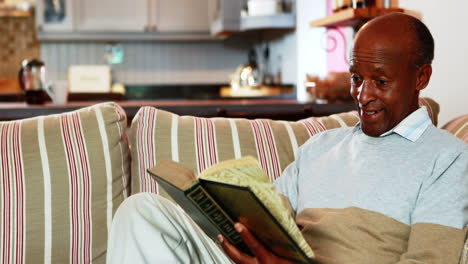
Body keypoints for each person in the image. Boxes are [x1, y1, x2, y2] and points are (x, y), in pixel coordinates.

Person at [107, 13, 468, 263]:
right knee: (142, 210)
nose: (363, 95)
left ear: (422, 77)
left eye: (381, 81)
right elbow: (269, 216)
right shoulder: (322, 145)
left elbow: (428, 260)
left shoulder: (448, 158)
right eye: (356, 78)